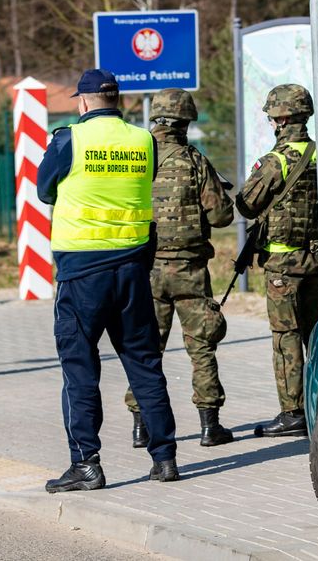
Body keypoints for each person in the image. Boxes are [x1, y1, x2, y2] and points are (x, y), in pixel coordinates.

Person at [37, 68, 179, 491]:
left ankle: (86, 464)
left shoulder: (69, 141)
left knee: (80, 369)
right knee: (145, 364)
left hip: (82, 274)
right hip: (132, 269)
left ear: (82, 102)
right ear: (118, 100)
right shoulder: (144, 141)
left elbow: (45, 191)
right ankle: (165, 458)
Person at [125, 88, 236, 448]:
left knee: (146, 349)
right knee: (201, 347)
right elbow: (221, 216)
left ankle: (140, 427)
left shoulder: (137, 159)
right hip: (190, 271)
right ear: (185, 122)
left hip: (147, 269)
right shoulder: (194, 161)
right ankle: (209, 427)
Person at [236, 84, 318, 437]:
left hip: (283, 265)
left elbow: (246, 204)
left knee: (286, 339)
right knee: (317, 335)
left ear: (281, 120)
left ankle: (292, 412)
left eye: (272, 117)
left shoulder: (275, 161)